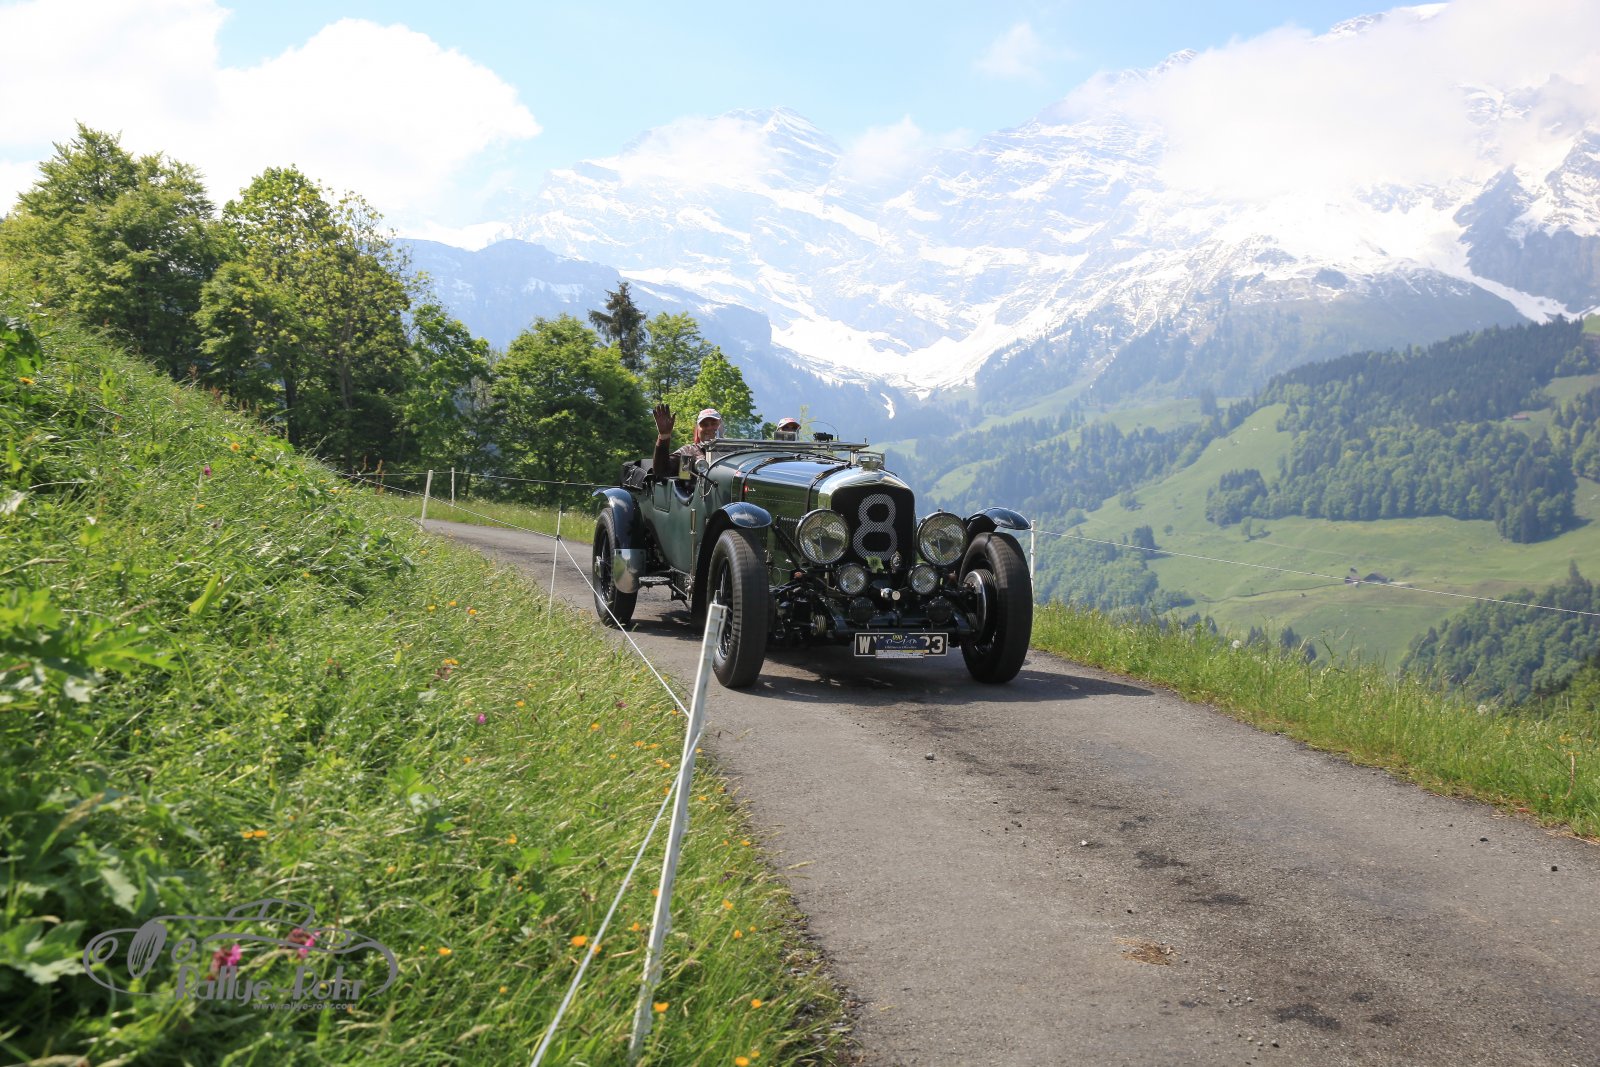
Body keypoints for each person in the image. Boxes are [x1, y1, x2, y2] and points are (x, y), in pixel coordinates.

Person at [652, 403, 721, 479]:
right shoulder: (688, 451)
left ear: (721, 426)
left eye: (714, 424)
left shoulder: (731, 451)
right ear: (698, 429)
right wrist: (664, 436)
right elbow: (662, 471)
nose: (709, 428)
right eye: (704, 425)